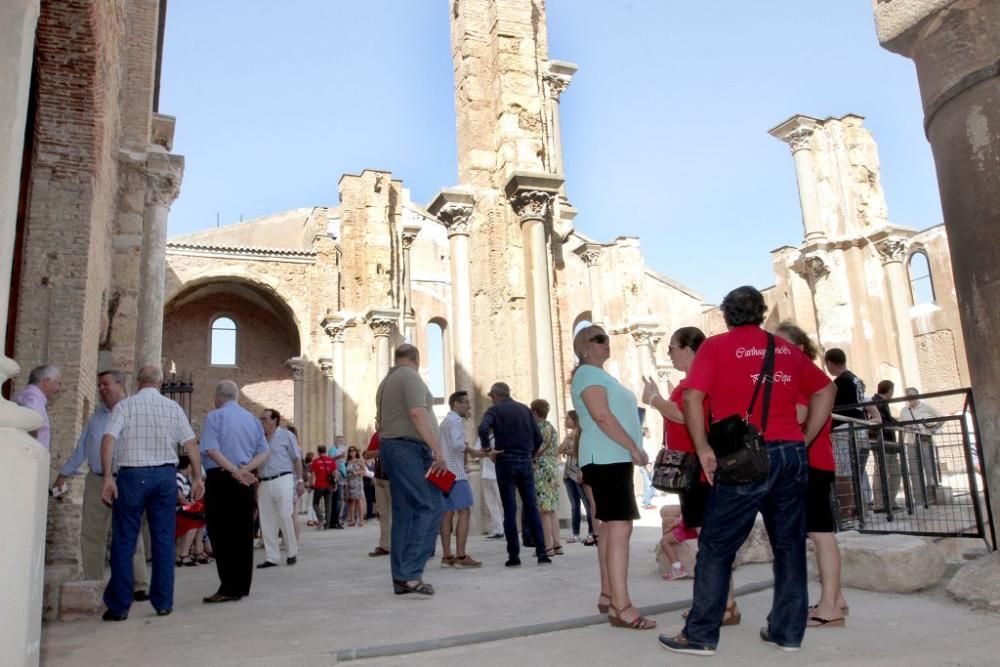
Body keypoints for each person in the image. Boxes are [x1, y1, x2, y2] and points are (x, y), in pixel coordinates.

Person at [658, 286, 834, 656]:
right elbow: (824, 391)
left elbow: (692, 396)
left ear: (726, 314)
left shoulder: (716, 347)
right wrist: (806, 437)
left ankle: (701, 633)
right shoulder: (783, 348)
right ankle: (787, 632)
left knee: (716, 545)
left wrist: (703, 447)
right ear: (760, 312)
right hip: (789, 455)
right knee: (788, 545)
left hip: (743, 458)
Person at [643, 326, 742, 626]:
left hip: (699, 469)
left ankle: (718, 606)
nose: (669, 354)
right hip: (696, 468)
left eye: (671, 348)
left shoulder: (699, 381)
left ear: (687, 348)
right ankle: (723, 603)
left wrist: (656, 400)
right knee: (709, 538)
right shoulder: (700, 379)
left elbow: (685, 414)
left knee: (709, 540)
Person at [99, 366, 202, 621]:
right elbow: (190, 443)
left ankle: (120, 606)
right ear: (161, 382)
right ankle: (163, 602)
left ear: (137, 381)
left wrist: (108, 478)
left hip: (132, 476)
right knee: (164, 539)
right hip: (164, 477)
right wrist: (198, 477)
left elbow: (109, 439)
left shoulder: (125, 406)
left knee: (124, 540)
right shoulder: (173, 408)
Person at [570, 325, 654, 630]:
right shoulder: (588, 374)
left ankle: (609, 593)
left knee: (608, 527)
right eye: (598, 339)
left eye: (606, 337)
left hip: (608, 458)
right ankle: (622, 605)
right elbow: (601, 416)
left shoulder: (598, 375)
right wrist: (633, 447)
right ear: (585, 348)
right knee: (620, 527)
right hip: (609, 458)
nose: (606, 342)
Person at [775, 322, 848, 628]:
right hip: (814, 461)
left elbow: (801, 415)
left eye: (780, 345)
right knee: (818, 532)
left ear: (798, 348)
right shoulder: (801, 374)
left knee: (820, 533)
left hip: (812, 462)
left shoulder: (802, 375)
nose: (774, 351)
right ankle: (836, 599)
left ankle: (829, 608)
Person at [52, 370, 148, 593]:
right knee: (92, 532)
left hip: (127, 479)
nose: (101, 389)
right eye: (99, 385)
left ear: (120, 384)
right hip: (96, 481)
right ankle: (94, 582)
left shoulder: (136, 413)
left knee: (129, 531)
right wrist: (62, 475)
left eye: (105, 384)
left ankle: (138, 584)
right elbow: (82, 449)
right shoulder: (96, 417)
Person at [375, 344, 448, 596]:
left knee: (405, 511)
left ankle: (402, 576)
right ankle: (411, 574)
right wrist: (437, 450)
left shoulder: (388, 380)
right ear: (417, 359)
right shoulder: (410, 376)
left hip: (398, 449)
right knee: (427, 506)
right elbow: (417, 413)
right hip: (409, 450)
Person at [199, 380, 270, 603]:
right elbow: (264, 451)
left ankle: (228, 587)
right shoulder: (251, 418)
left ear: (218, 397)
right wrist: (245, 469)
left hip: (222, 478)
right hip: (245, 480)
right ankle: (241, 585)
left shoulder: (214, 417)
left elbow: (211, 449)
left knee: (220, 532)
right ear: (236, 397)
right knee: (242, 532)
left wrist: (233, 471)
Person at [478, 382, 549, 567]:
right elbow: (539, 437)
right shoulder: (525, 410)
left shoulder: (495, 410)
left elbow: (482, 428)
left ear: (495, 395)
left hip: (505, 460)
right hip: (525, 460)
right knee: (531, 507)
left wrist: (487, 448)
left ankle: (514, 555)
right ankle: (542, 552)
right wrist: (531, 454)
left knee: (510, 510)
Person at [824, 347, 882, 510]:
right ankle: (861, 506)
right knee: (857, 471)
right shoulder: (855, 379)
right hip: (859, 428)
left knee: (844, 473)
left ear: (829, 363)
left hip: (844, 429)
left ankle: (848, 511)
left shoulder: (840, 383)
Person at [438, 390, 482, 568]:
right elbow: (457, 444)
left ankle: (447, 556)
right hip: (456, 474)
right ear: (456, 404)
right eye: (465, 403)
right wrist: (473, 451)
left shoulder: (444, 422)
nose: (469, 406)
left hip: (444, 474)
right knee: (464, 511)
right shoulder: (455, 420)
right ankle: (461, 556)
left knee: (447, 514)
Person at [256, 408, 303, 568]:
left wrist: (300, 480)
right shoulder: (259, 438)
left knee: (284, 514)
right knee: (266, 519)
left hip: (283, 478)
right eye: (261, 419)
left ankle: (292, 551)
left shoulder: (287, 435)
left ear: (275, 420)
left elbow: (297, 458)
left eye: (265, 418)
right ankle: (272, 557)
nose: (262, 421)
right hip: (264, 480)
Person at [530, 399, 563, 557]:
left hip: (541, 470)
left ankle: (547, 546)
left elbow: (537, 450)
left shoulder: (539, 428)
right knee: (551, 510)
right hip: (552, 468)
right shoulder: (551, 427)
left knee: (543, 511)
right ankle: (557, 544)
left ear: (535, 412)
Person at [900, 387, 944, 503]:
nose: (911, 398)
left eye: (912, 396)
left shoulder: (926, 407)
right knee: (914, 470)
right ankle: (919, 498)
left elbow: (942, 418)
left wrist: (934, 429)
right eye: (908, 396)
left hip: (925, 440)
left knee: (929, 468)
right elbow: (901, 427)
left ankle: (932, 497)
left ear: (917, 396)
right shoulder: (904, 410)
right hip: (911, 442)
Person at [557, 410, 594, 545]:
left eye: (568, 419)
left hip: (579, 473)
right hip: (568, 474)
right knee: (574, 506)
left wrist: (569, 451)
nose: (565, 421)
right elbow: (559, 451)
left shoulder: (582, 434)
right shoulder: (569, 435)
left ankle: (592, 532)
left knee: (587, 504)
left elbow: (581, 450)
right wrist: (567, 440)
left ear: (575, 420)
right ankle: (575, 534)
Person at [870, 380, 903, 513]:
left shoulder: (877, 401)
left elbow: (887, 419)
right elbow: (884, 421)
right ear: (890, 390)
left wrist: (899, 423)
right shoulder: (878, 402)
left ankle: (886, 501)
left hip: (883, 441)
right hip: (884, 441)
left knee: (888, 471)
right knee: (883, 471)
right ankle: (881, 503)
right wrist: (898, 424)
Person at [15, 363, 61, 449]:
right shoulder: (33, 398)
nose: (58, 389)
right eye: (57, 383)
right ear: (46, 382)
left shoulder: (28, 396)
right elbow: (30, 425)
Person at [175, 454, 208, 567]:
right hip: (179, 509)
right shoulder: (179, 476)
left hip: (182, 508)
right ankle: (185, 554)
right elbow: (178, 495)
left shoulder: (183, 478)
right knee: (196, 521)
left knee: (200, 519)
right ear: (189, 466)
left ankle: (197, 551)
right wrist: (190, 504)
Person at [363, 432, 392, 557]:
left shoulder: (396, 432)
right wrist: (381, 451)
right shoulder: (378, 435)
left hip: (394, 478)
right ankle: (385, 545)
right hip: (379, 477)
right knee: (383, 513)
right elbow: (367, 454)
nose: (376, 421)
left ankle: (399, 544)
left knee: (397, 512)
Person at [658, 505, 695, 580]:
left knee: (664, 541)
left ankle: (677, 567)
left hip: (687, 530)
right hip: (692, 526)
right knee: (668, 524)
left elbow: (686, 520)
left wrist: (673, 525)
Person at [479, 432, 505, 540]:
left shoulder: (501, 435)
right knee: (490, 503)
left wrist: (487, 452)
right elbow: (477, 452)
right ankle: (497, 529)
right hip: (486, 473)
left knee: (501, 502)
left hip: (498, 473)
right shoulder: (483, 437)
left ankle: (505, 528)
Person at [309, 446, 337, 529]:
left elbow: (312, 475)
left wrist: (311, 485)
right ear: (325, 451)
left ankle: (321, 518)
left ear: (318, 452)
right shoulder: (331, 461)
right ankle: (327, 524)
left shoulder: (315, 461)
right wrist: (335, 484)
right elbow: (335, 474)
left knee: (315, 503)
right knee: (328, 505)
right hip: (329, 486)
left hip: (319, 485)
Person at [345, 446, 366, 527]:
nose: (352, 452)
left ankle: (361, 520)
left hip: (357, 482)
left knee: (359, 500)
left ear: (356, 452)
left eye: (353, 451)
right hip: (349, 483)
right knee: (350, 501)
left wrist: (357, 473)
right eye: (350, 451)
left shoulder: (360, 461)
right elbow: (346, 473)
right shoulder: (348, 461)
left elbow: (364, 471)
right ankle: (352, 520)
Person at [638, 425, 657, 509]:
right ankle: (647, 503)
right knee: (647, 484)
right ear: (645, 433)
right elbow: (643, 455)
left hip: (651, 464)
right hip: (646, 465)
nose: (650, 433)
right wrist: (647, 465)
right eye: (648, 432)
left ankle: (647, 500)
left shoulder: (648, 441)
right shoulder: (643, 443)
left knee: (652, 484)